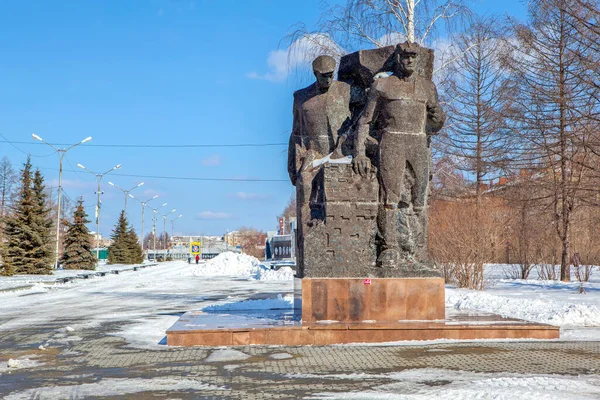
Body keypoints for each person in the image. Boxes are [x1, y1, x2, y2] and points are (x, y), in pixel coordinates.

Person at [353, 42, 445, 268]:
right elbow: (364, 121)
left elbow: (435, 123)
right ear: (397, 58)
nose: (410, 61)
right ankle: (390, 247)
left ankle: (419, 249)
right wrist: (359, 153)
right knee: (389, 198)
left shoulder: (427, 87)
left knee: (420, 200)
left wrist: (438, 116)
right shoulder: (383, 86)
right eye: (405, 57)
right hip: (392, 141)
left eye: (414, 57)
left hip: (417, 142)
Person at [288, 55, 352, 275]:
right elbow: (295, 133)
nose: (328, 79)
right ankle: (310, 234)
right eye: (324, 75)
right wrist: (291, 163)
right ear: (315, 74)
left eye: (331, 74)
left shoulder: (345, 90)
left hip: (342, 152)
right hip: (313, 154)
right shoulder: (301, 97)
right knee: (306, 186)